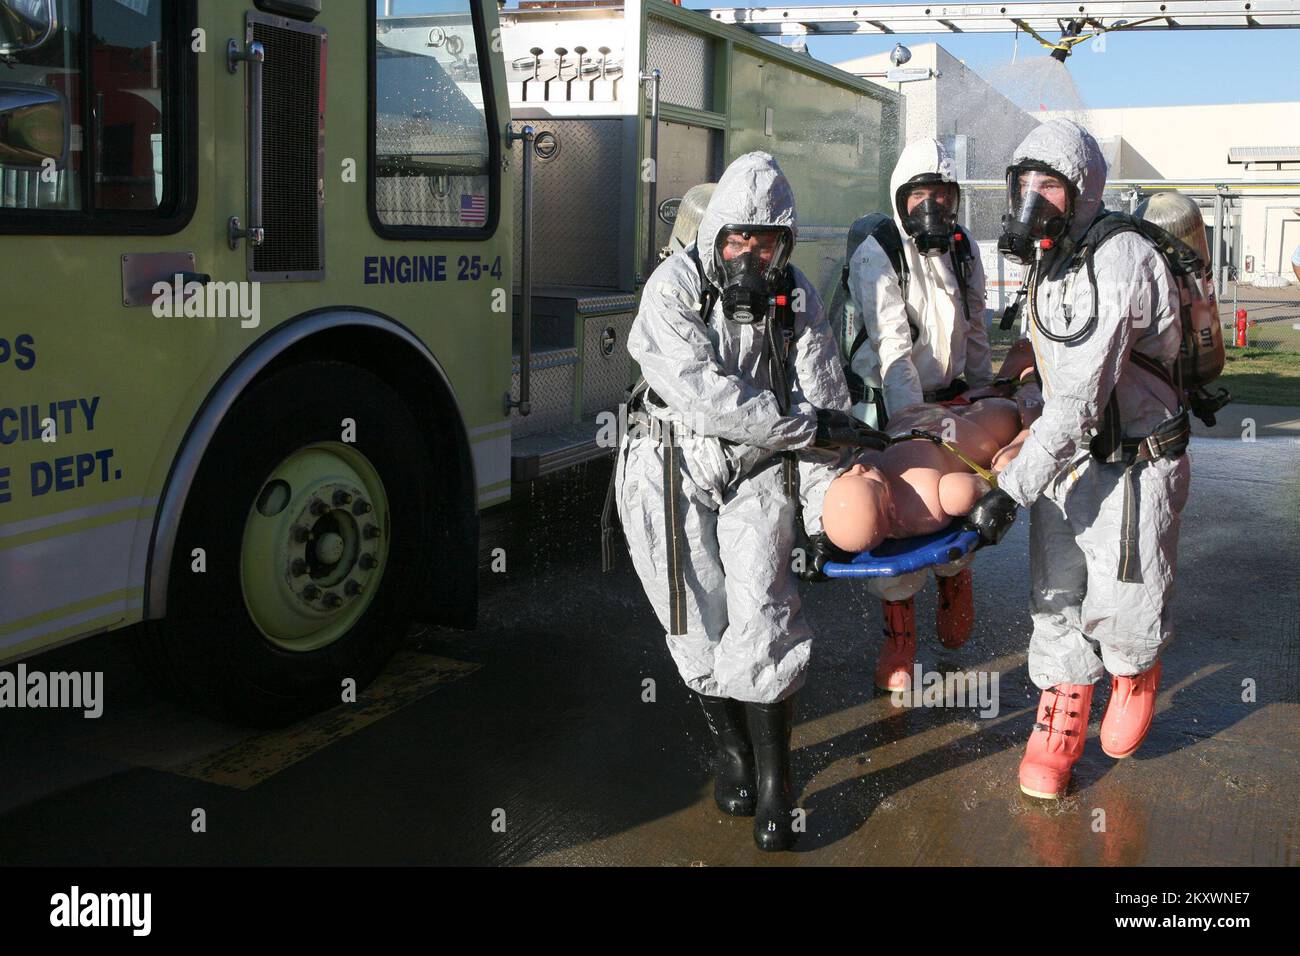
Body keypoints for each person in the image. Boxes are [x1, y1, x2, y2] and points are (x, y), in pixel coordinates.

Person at [611, 151, 881, 851]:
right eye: (739, 239)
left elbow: (825, 404)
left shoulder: (798, 301)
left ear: (785, 243)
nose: (752, 256)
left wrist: (824, 517)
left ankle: (775, 781)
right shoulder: (671, 290)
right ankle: (730, 749)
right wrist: (807, 428)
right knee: (694, 618)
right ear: (715, 235)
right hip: (668, 460)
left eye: (768, 243)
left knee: (765, 612)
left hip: (759, 467)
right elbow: (709, 397)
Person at [965, 118, 1192, 799]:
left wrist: (1011, 487)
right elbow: (1052, 366)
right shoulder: (1051, 259)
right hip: (1068, 458)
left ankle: (1133, 664)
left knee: (1126, 597)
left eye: (1050, 186)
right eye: (1023, 183)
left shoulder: (1119, 258)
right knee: (1056, 592)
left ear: (1083, 191)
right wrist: (1014, 396)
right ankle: (1061, 716)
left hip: (1134, 463)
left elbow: (1083, 402)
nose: (1033, 197)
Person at [844, 138, 994, 691]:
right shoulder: (878, 250)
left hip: (951, 396)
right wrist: (910, 421)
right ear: (900, 199)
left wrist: (983, 396)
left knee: (956, 503)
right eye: (919, 196)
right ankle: (899, 637)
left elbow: (975, 326)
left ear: (954, 201)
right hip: (888, 401)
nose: (930, 207)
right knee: (896, 517)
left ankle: (956, 580)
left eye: (941, 195)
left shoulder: (962, 247)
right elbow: (891, 346)